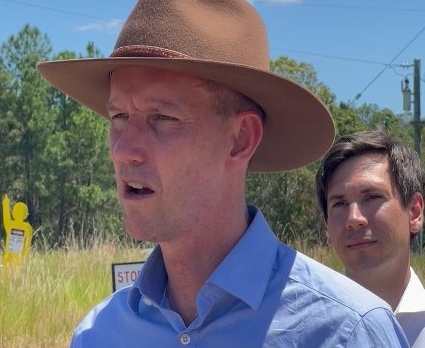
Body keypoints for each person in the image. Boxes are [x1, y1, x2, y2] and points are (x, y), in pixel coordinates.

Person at [38, 1, 408, 346]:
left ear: (240, 139)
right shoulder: (100, 334)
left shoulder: (346, 332)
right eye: (118, 116)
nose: (123, 150)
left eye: (161, 118)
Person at [316, 130, 425, 347]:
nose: (353, 219)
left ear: (414, 213)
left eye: (372, 197)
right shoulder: (299, 329)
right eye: (339, 203)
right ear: (327, 225)